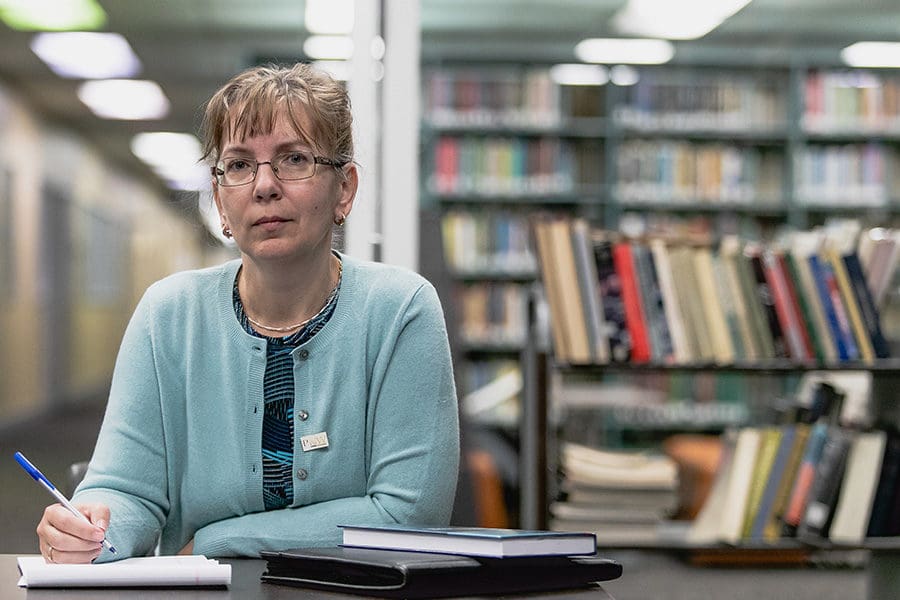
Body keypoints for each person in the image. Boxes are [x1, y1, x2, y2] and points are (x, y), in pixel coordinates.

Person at [34, 63, 460, 564]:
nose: (263, 186)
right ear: (218, 198)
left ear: (344, 189)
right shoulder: (168, 314)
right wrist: (86, 530)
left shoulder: (400, 310)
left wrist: (218, 542)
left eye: (294, 159)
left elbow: (408, 515)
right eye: (238, 165)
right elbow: (125, 489)